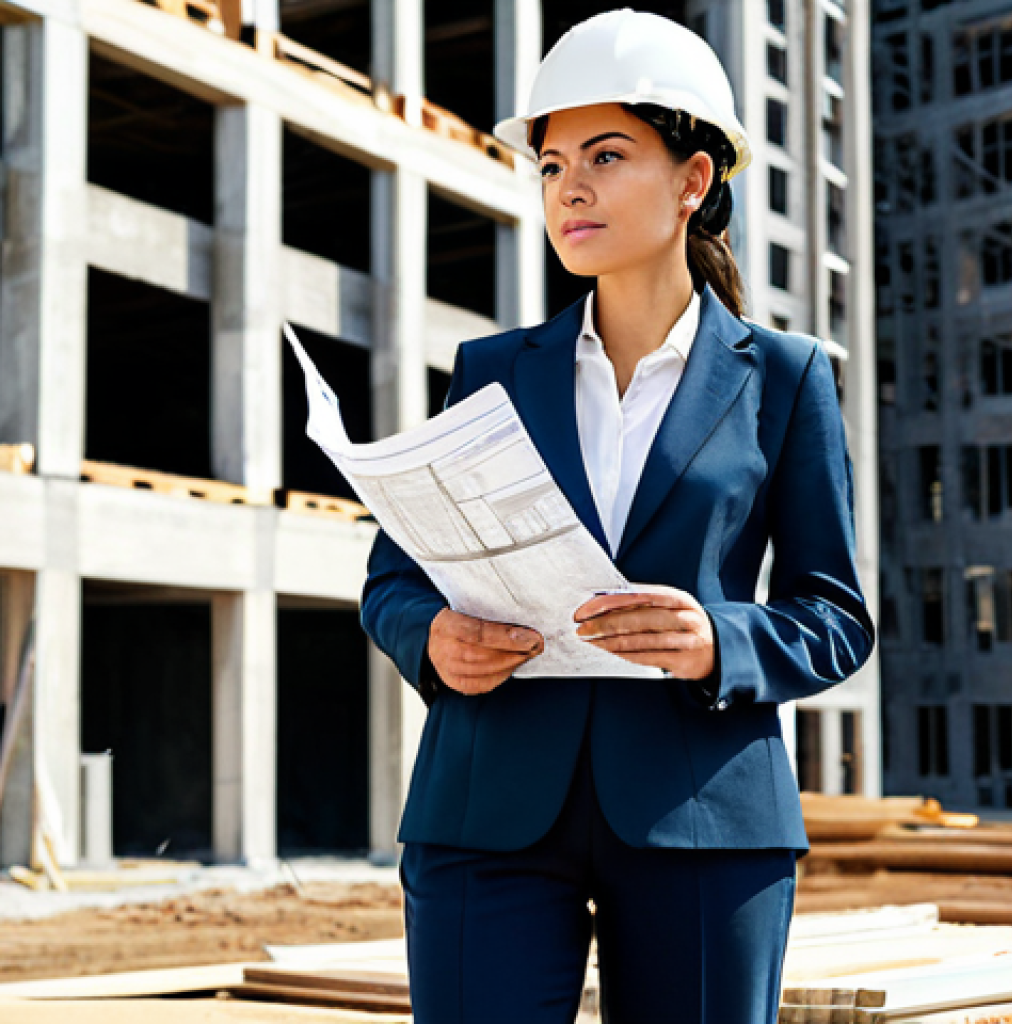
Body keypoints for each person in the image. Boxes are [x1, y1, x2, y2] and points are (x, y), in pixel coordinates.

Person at [360, 9, 875, 1023]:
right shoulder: (491, 373)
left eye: (605, 155)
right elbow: (394, 579)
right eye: (551, 166)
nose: (571, 188)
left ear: (692, 180)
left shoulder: (784, 377)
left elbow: (835, 615)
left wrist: (712, 636)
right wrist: (432, 637)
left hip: (703, 815)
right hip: (486, 805)